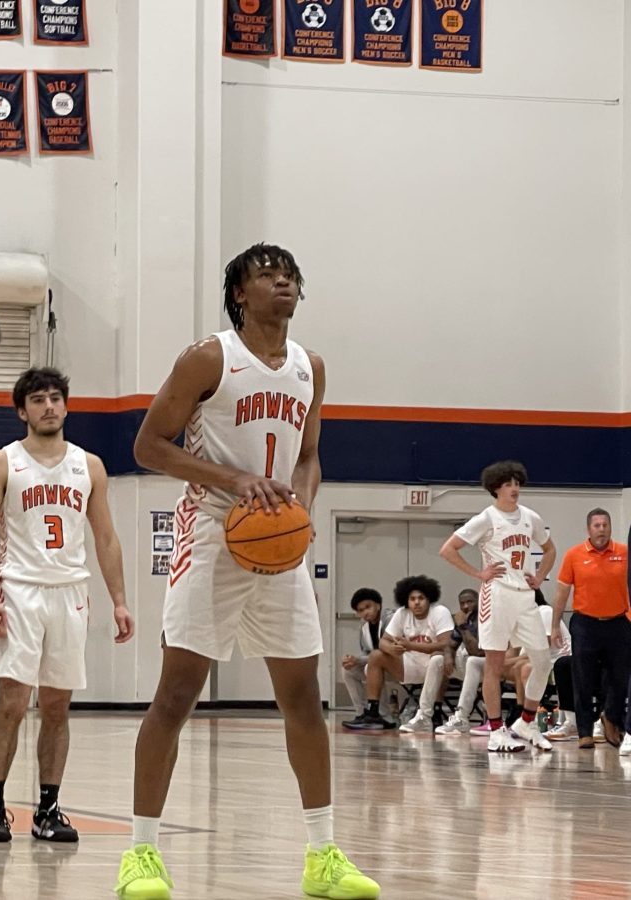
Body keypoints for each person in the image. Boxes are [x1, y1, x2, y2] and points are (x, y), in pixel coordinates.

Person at [114, 244, 378, 900]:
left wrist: (303, 506)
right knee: (175, 696)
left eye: (289, 274)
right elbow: (148, 446)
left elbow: (310, 454)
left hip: (279, 544)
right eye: (266, 273)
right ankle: (142, 853)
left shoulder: (310, 367)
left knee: (303, 698)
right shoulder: (209, 357)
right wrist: (234, 479)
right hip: (209, 533)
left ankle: (323, 855)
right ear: (238, 293)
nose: (282, 281)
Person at [0, 366, 134, 843]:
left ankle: (48, 807)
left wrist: (120, 601)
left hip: (70, 593)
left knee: (58, 707)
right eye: (38, 399)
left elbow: (105, 537)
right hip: (20, 589)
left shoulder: (91, 466)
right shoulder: (1, 462)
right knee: (14, 703)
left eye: (55, 398)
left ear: (66, 405)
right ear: (22, 410)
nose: (48, 406)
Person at [440, 460, 557, 753]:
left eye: (517, 483)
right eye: (508, 484)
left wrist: (540, 577)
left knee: (542, 661)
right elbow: (448, 549)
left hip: (525, 597)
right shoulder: (486, 518)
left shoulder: (530, 517)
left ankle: (526, 722)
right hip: (498, 594)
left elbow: (550, 549)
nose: (514, 488)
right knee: (493, 664)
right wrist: (478, 574)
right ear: (496, 488)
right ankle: (495, 730)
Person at [549, 508, 629, 750]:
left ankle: (610, 717)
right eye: (597, 525)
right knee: (583, 677)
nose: (602, 529)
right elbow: (562, 593)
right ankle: (584, 731)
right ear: (589, 529)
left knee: (620, 677)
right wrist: (554, 625)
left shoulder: (625, 553)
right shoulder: (574, 555)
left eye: (605, 524)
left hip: (618, 622)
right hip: (585, 624)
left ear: (611, 528)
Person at [343, 576, 453, 733]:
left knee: (438, 658)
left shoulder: (440, 612)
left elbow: (446, 644)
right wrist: (390, 649)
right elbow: (383, 642)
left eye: (421, 598)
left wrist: (411, 645)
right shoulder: (402, 613)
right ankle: (372, 712)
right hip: (409, 667)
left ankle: (429, 713)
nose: (416, 602)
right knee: (376, 655)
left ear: (429, 599)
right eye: (412, 599)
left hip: (436, 668)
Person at [341, 587, 397, 725]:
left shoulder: (391, 620)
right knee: (349, 670)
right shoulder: (364, 627)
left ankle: (384, 716)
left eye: (368, 607)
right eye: (360, 610)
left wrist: (359, 660)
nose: (365, 612)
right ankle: (362, 713)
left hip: (399, 666)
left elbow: (388, 652)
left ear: (378, 605)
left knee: (374, 668)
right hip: (378, 665)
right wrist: (353, 660)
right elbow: (367, 653)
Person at [436, 590, 486, 735]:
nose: (465, 606)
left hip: (488, 667)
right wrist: (448, 657)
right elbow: (449, 645)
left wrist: (463, 627)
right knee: (437, 659)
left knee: (472, 661)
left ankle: (462, 718)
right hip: (469, 668)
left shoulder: (484, 618)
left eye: (469, 602)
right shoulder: (464, 619)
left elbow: (476, 651)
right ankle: (425, 714)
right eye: (462, 603)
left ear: (479, 601)